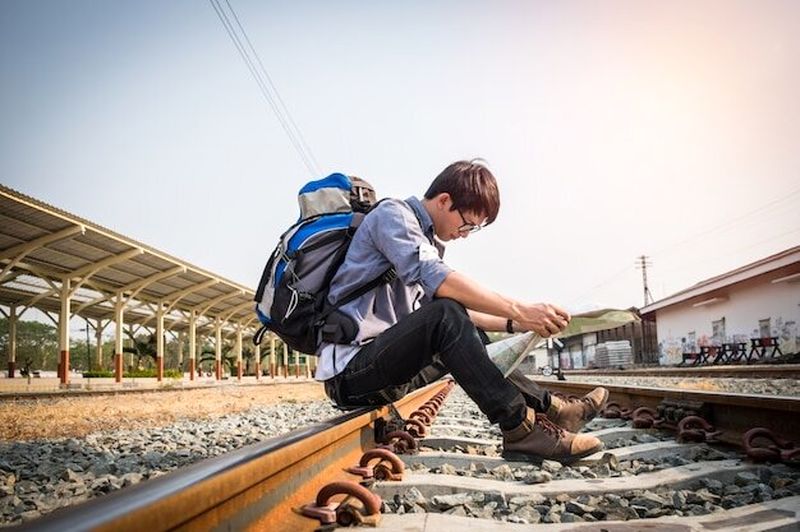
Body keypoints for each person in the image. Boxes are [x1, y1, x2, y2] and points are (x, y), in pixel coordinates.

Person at [315, 160, 608, 463]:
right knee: (447, 314)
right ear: (444, 201)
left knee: (459, 325)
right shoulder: (394, 216)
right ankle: (521, 430)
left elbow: (452, 318)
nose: (466, 234)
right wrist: (521, 309)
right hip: (351, 373)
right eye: (468, 224)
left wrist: (517, 325)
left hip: (384, 369)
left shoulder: (424, 240)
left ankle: (554, 410)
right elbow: (442, 293)